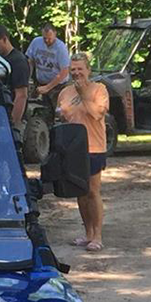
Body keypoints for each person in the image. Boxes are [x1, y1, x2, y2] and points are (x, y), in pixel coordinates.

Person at [56, 52, 110, 251]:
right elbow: (62, 116)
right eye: (73, 70)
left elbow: (96, 114)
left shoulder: (99, 90)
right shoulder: (65, 93)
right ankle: (87, 233)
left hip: (94, 147)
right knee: (80, 191)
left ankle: (97, 236)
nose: (77, 73)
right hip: (73, 149)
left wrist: (83, 94)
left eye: (80, 69)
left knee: (92, 192)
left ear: (88, 70)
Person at [0, 25, 32, 139]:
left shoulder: (18, 61)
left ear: (4, 39)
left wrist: (11, 125)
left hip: (11, 118)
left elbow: (21, 96)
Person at [28, 24, 70, 98]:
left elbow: (65, 71)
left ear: (55, 34)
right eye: (44, 38)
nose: (47, 41)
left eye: (49, 38)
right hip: (40, 82)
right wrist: (28, 78)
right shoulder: (36, 42)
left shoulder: (61, 48)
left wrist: (48, 87)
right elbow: (31, 61)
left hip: (57, 85)